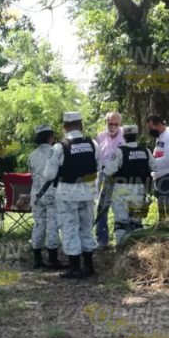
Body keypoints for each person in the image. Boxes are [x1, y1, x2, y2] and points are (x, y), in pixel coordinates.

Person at [43, 111, 99, 279]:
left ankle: (75, 268)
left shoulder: (60, 147)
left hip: (67, 194)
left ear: (65, 127)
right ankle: (89, 266)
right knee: (86, 228)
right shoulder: (93, 144)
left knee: (70, 229)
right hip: (88, 193)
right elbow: (98, 167)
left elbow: (48, 175)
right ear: (81, 125)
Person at [103, 125, 152, 244]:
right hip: (139, 191)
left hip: (121, 190)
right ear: (136, 136)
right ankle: (139, 248)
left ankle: (121, 250)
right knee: (137, 223)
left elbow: (109, 171)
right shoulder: (145, 151)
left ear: (124, 136)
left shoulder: (120, 151)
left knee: (121, 223)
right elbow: (154, 167)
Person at [28, 124, 62, 269]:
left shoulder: (32, 155)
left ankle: (37, 259)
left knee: (38, 224)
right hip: (52, 194)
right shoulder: (56, 152)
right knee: (52, 225)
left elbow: (31, 174)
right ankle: (53, 259)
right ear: (50, 137)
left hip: (36, 195)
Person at [144, 115, 169, 219]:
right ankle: (165, 233)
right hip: (161, 179)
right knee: (163, 215)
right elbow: (159, 155)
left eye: (150, 128)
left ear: (158, 125)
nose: (149, 131)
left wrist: (151, 164)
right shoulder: (161, 137)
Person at [94, 112, 124, 248]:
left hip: (120, 176)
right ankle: (102, 240)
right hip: (103, 175)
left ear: (120, 124)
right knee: (101, 208)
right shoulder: (100, 136)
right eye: (110, 124)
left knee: (121, 207)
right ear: (106, 122)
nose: (112, 127)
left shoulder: (125, 135)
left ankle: (122, 239)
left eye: (116, 124)